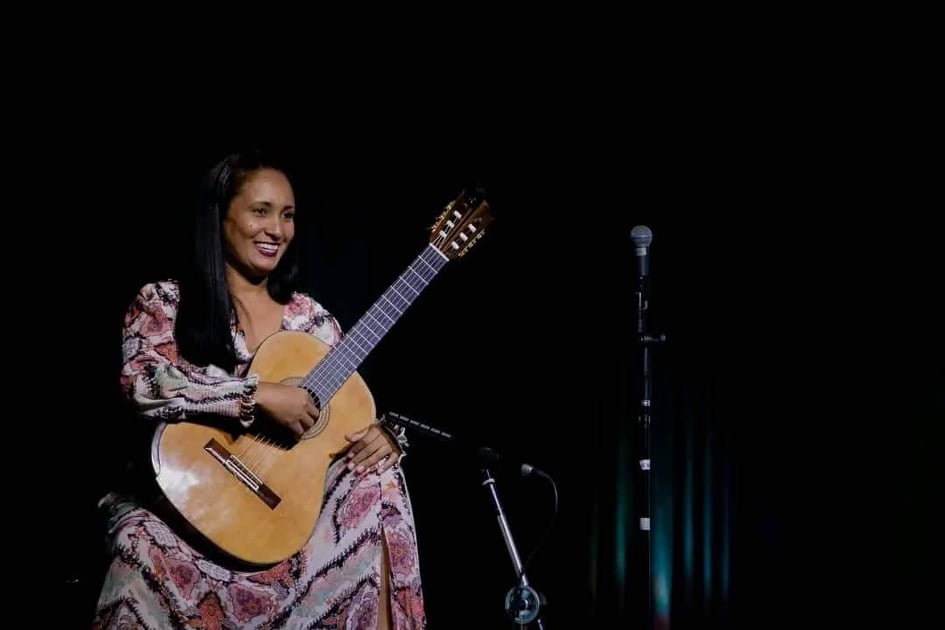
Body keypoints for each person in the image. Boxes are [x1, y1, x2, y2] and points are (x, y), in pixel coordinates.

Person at [91, 150, 427, 629]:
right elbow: (144, 386)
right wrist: (257, 394)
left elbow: (341, 426)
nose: (277, 229)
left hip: (278, 527)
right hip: (179, 510)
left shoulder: (312, 322)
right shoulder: (166, 301)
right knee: (137, 545)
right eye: (261, 211)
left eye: (287, 215)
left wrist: (382, 438)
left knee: (381, 482)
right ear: (220, 214)